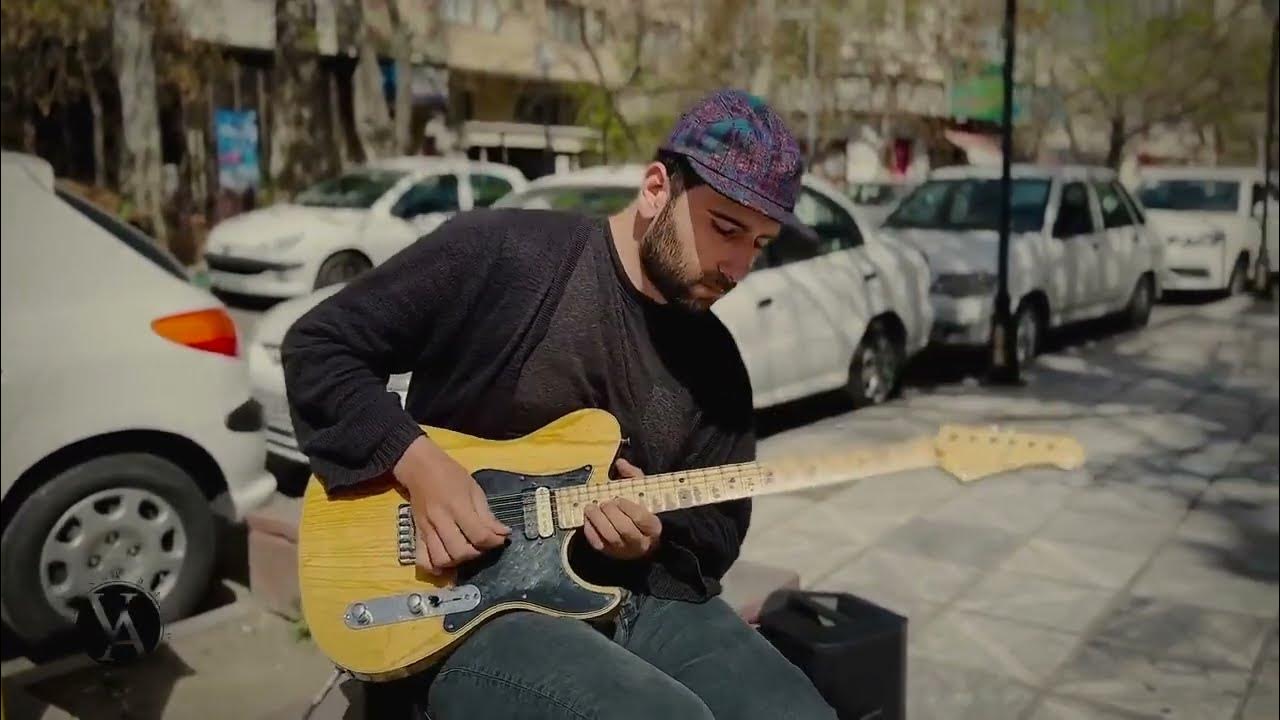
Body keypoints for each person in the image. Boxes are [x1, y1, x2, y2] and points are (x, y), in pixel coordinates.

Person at [282, 89, 838, 720]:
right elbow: (320, 348)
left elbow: (719, 528)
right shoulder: (504, 253)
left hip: (631, 596)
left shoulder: (718, 367)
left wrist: (651, 540)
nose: (738, 266)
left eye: (759, 244)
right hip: (465, 601)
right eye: (725, 228)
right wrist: (420, 465)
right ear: (657, 188)